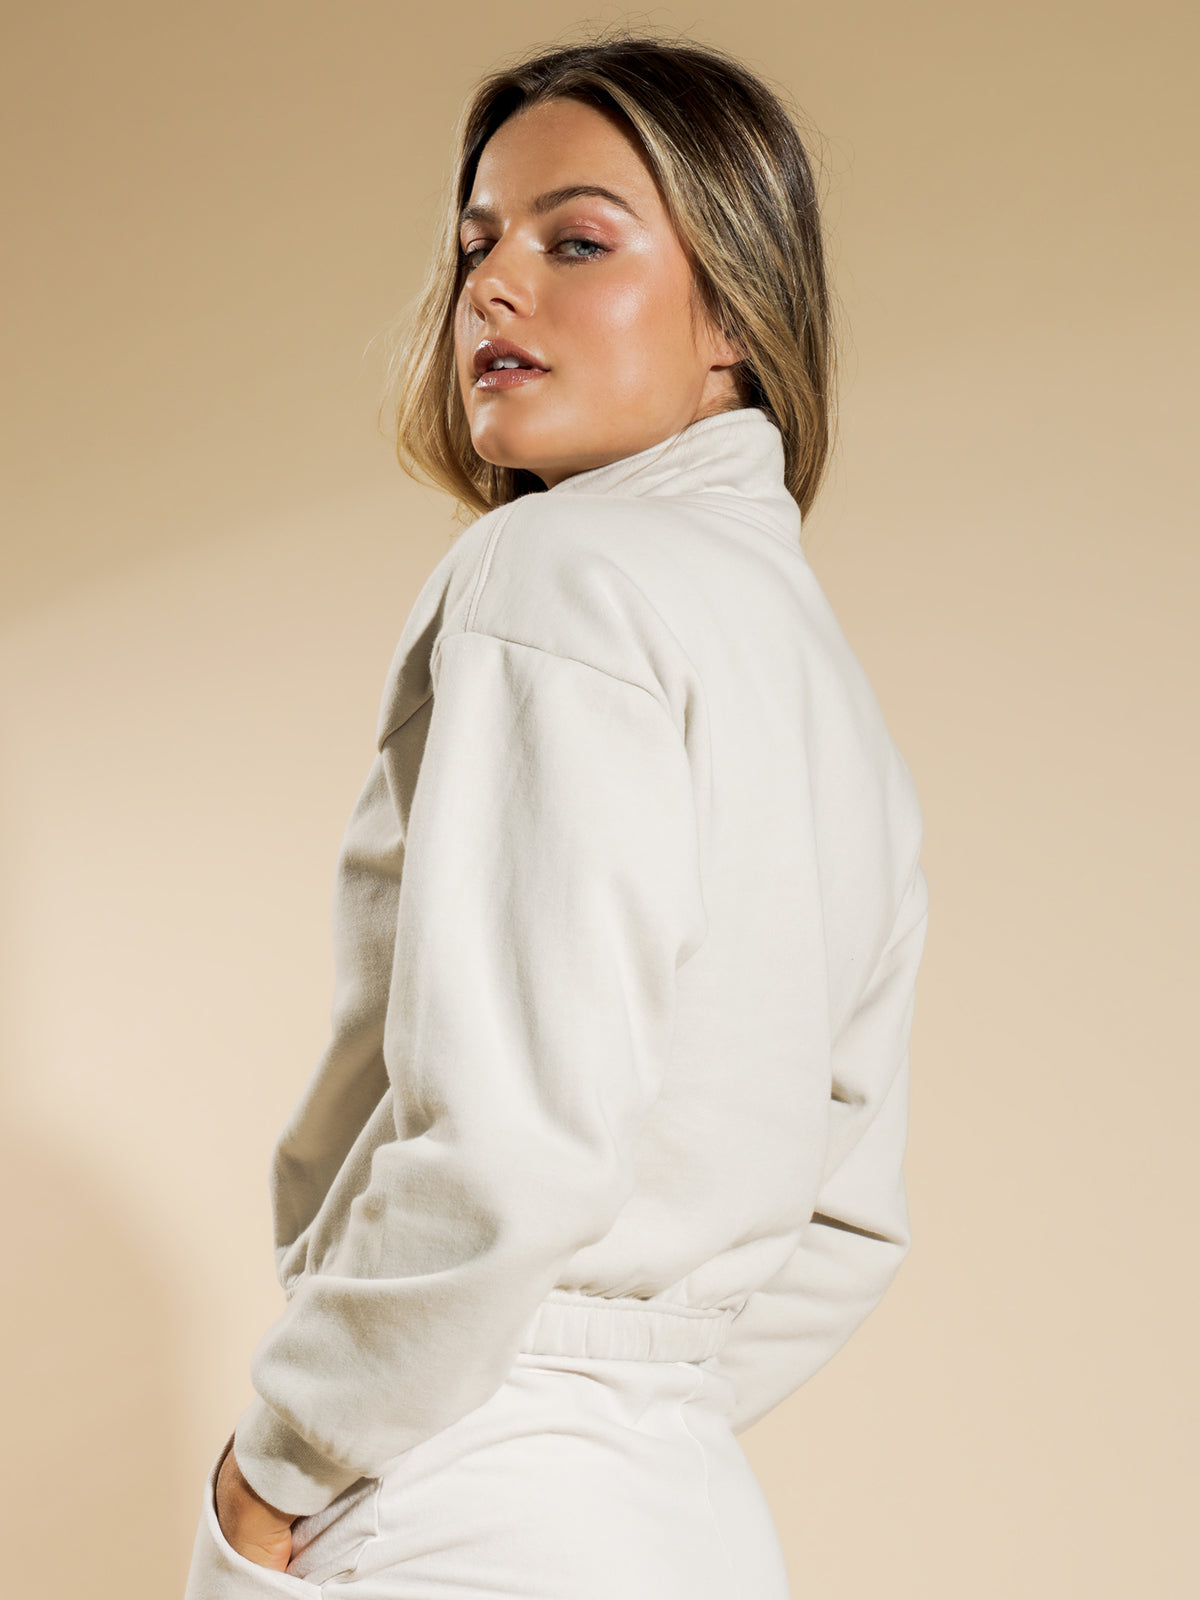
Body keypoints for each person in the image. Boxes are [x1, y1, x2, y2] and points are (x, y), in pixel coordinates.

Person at [184, 29, 930, 1600]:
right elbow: (850, 1220)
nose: (494, 288)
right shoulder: (827, 686)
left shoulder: (555, 574)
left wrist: (279, 1466)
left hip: (464, 1488)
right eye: (477, 244)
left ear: (735, 311)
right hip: (687, 1519)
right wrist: (631, 1401)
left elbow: (512, 1145)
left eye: (575, 241)